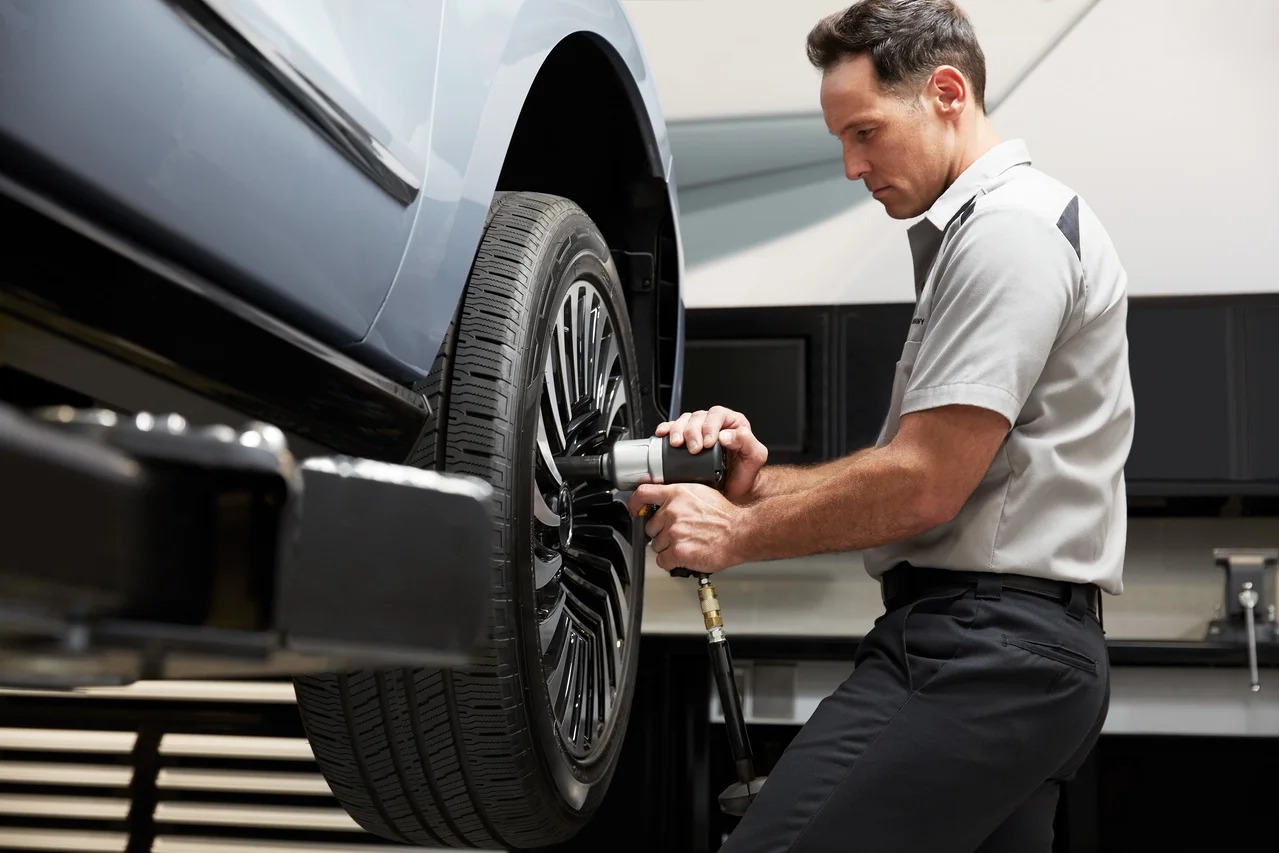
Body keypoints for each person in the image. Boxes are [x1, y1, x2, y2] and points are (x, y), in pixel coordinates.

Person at [628, 1, 1134, 850]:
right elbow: (914, 462)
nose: (851, 166)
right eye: (841, 140)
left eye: (864, 132)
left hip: (980, 655)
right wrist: (753, 486)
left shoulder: (1008, 234)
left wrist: (736, 532)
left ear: (946, 93)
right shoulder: (988, 232)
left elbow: (924, 484)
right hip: (1011, 654)